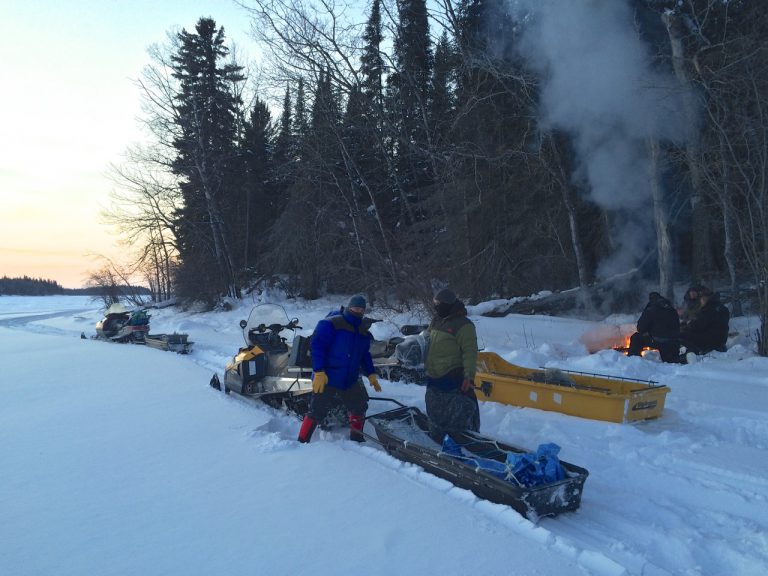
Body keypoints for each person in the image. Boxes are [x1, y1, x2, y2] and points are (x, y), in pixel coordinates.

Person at [297, 294, 381, 443]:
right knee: (317, 411)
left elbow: (364, 355)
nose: (358, 311)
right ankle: (302, 441)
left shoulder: (362, 331)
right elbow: (317, 347)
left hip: (349, 379)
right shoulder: (332, 324)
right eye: (356, 307)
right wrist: (319, 371)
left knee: (359, 407)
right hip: (327, 377)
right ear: (349, 307)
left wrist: (371, 374)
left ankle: (357, 438)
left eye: (362, 309)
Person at [424, 288, 480, 440]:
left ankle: (458, 440)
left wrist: (469, 376)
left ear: (447, 304)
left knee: (454, 412)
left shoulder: (464, 325)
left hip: (452, 376)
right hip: (433, 374)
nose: (435, 306)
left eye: (438, 304)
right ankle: (437, 437)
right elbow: (426, 339)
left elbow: (470, 352)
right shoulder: (436, 320)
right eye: (434, 303)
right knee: (434, 408)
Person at [627, 292, 681, 363]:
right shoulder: (672, 310)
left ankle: (633, 359)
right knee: (670, 360)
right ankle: (684, 358)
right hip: (672, 340)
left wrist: (649, 331)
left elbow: (640, 328)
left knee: (636, 337)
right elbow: (677, 326)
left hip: (657, 339)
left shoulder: (651, 310)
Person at [681, 287, 730, 359]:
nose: (701, 301)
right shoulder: (722, 308)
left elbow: (698, 325)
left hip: (709, 340)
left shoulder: (708, 309)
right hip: (721, 340)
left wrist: (686, 326)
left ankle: (691, 354)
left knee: (681, 335)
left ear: (706, 298)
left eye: (701, 298)